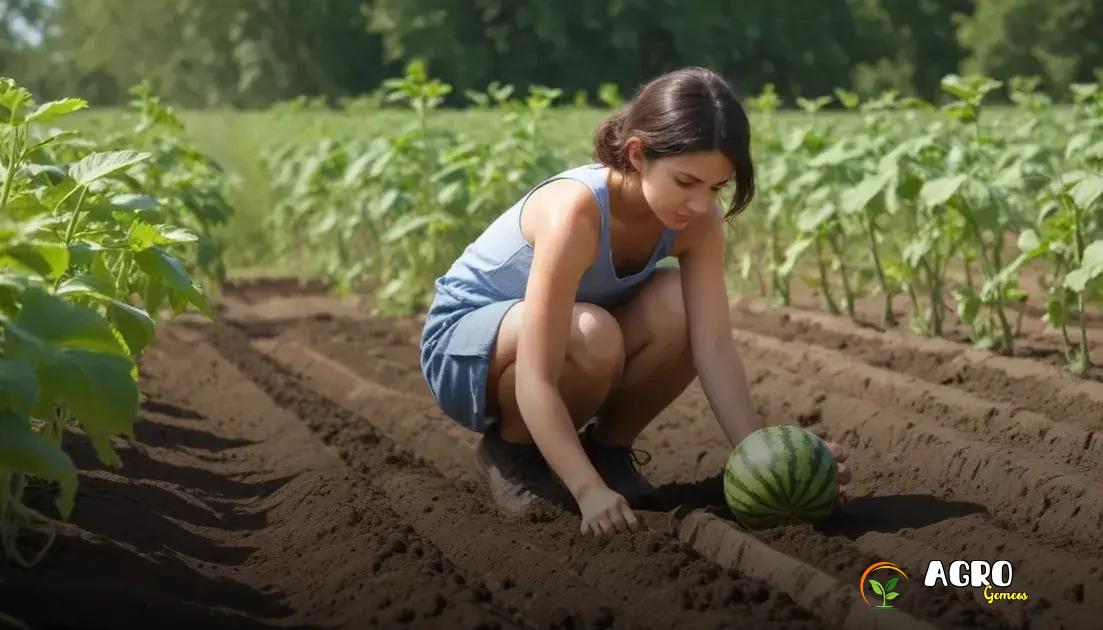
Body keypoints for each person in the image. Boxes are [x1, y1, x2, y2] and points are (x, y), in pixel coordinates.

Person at [419, 66, 851, 538]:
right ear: (637, 153)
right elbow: (537, 375)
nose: (700, 204)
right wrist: (587, 491)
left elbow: (712, 346)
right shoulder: (574, 213)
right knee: (592, 334)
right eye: (685, 181)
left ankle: (607, 453)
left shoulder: (698, 222)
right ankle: (513, 453)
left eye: (715, 187)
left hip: (572, 335)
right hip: (465, 351)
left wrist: (770, 464)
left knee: (680, 307)